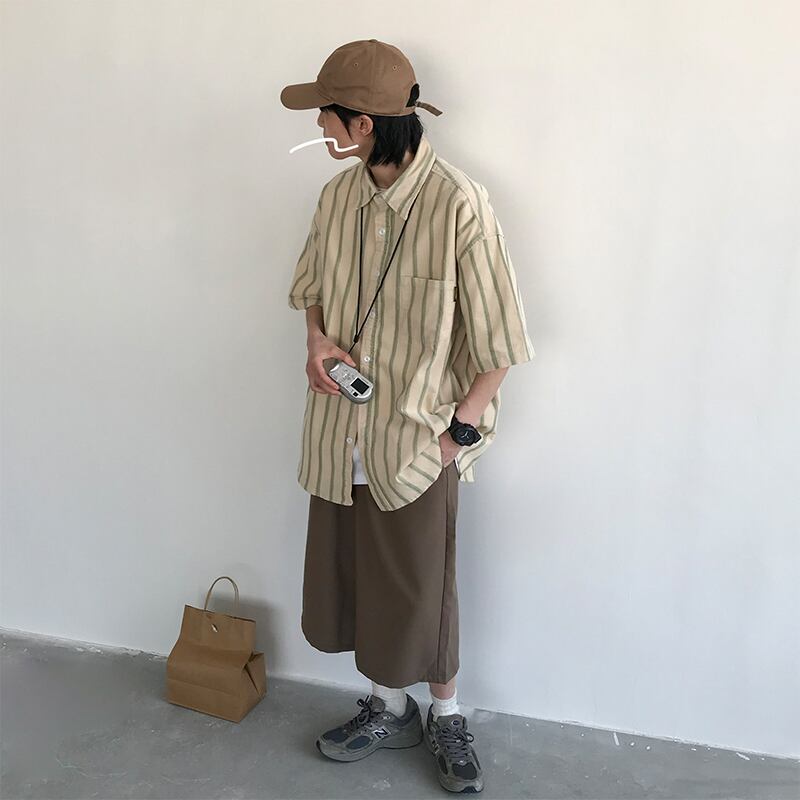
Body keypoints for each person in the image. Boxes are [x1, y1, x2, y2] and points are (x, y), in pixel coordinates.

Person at [281, 38, 535, 795]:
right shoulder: (336, 198)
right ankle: (388, 709)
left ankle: (446, 717)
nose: (319, 125)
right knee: (360, 577)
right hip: (340, 433)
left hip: (416, 441)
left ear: (361, 124)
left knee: (426, 588)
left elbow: (500, 342)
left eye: (326, 115)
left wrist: (456, 437)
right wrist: (317, 342)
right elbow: (310, 289)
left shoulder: (459, 203)